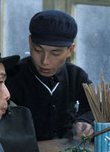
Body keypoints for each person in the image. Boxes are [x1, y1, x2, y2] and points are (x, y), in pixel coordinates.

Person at [5, 10, 94, 141]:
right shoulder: (12, 76)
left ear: (70, 50)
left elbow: (96, 109)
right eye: (38, 50)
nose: (45, 61)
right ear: (30, 42)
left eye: (55, 53)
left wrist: (85, 122)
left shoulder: (76, 76)